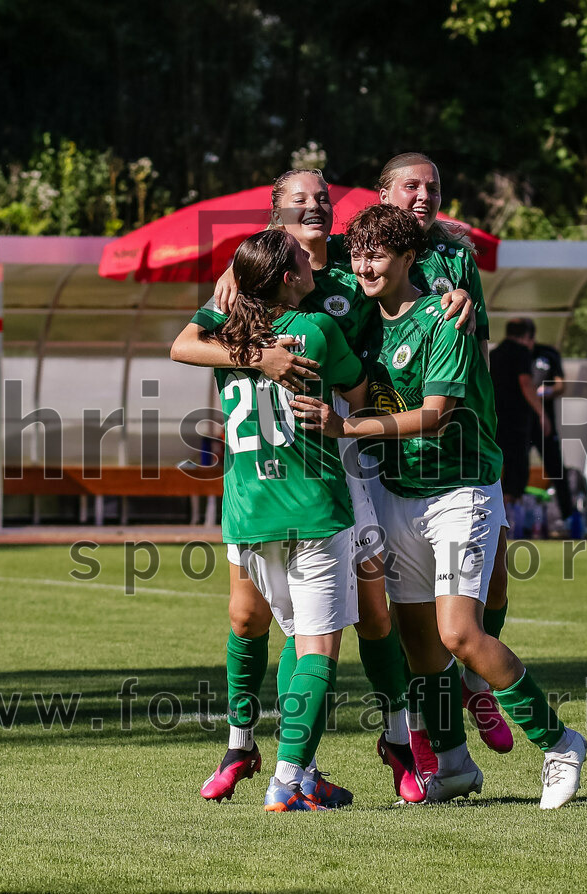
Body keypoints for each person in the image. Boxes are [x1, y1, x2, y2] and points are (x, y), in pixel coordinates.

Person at [293, 204, 587, 809]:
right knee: (421, 649)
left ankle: (560, 743)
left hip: (458, 490)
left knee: (459, 633)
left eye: (379, 255)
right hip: (396, 494)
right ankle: (453, 766)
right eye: (360, 254)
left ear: (408, 260)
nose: (365, 265)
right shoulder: (360, 325)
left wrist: (344, 430)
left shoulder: (441, 318)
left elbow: (433, 415)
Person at [176, 169, 447, 804]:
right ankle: (257, 751)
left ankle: (396, 739)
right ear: (275, 219)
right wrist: (258, 356)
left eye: (323, 197)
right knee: (263, 619)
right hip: (301, 467)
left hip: (347, 457)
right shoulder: (246, 287)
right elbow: (186, 344)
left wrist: (450, 299)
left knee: (372, 611)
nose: (315, 207)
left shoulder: (354, 276)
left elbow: (410, 299)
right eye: (299, 201)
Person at [172, 229, 367, 811]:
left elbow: (185, 343)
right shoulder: (318, 329)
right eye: (300, 259)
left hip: (250, 515)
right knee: (317, 651)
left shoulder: (225, 337)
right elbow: (358, 390)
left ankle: (299, 777)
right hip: (313, 507)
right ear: (286, 277)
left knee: (292, 641)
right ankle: (285, 782)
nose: (312, 261)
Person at [378, 152, 514, 758]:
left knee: (498, 579)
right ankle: (431, 742)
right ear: (385, 194)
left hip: (469, 443)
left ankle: (473, 682)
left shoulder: (457, 255)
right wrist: (233, 274)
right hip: (393, 456)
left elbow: (478, 344)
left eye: (433, 187)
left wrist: (480, 418)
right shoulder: (359, 253)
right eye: (411, 186)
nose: (424, 196)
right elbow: (290, 258)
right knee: (409, 620)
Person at [489, 317, 548, 532]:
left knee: (497, 469)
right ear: (528, 336)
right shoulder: (522, 353)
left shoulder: (494, 354)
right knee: (517, 470)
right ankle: (511, 521)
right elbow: (525, 383)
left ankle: (496, 517)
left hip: (493, 420)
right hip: (515, 422)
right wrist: (542, 413)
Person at [529, 322, 583, 538]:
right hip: (518, 425)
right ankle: (510, 521)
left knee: (556, 470)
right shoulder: (511, 354)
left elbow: (561, 385)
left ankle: (567, 520)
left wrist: (546, 391)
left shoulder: (547, 354)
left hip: (546, 424)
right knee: (512, 470)